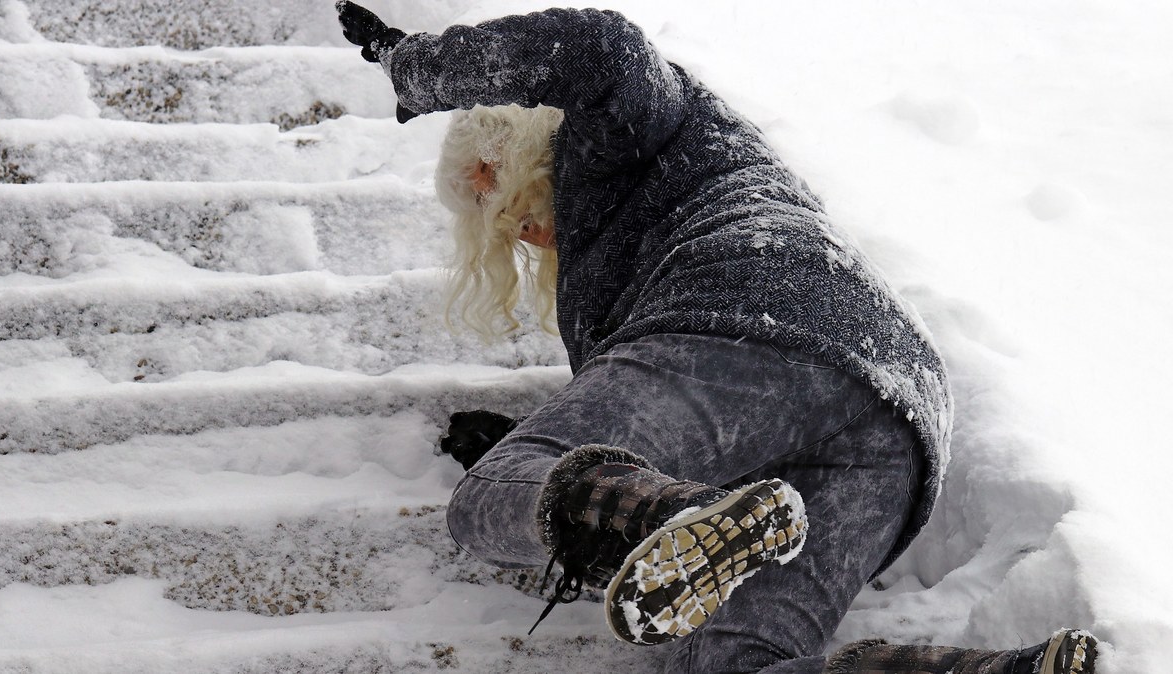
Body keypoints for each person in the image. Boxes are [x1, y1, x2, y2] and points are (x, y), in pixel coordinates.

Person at [335, 3, 1098, 673]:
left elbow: (603, 45)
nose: (518, 228)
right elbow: (671, 414)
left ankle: (664, 516)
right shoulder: (675, 192)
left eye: (488, 188)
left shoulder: (623, 134)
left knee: (483, 501)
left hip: (754, 320)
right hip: (892, 414)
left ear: (522, 137)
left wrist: (417, 66)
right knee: (729, 662)